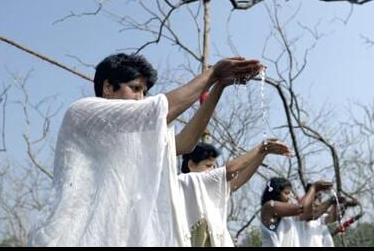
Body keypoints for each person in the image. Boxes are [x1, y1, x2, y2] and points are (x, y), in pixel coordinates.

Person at [27, 53, 262, 247]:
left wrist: (219, 86)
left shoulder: (136, 138)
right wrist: (211, 74)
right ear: (108, 87)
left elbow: (185, 143)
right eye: (135, 88)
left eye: (144, 92)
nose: (141, 98)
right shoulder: (82, 112)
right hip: (75, 237)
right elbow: (157, 110)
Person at [179, 139, 291, 247]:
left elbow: (237, 179)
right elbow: (230, 170)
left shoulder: (209, 190)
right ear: (191, 165)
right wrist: (260, 148)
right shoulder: (185, 180)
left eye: (214, 166)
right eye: (208, 166)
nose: (212, 170)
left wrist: (262, 154)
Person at [260, 178, 332, 247]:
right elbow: (301, 208)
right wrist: (314, 188)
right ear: (276, 193)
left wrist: (332, 201)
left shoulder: (289, 215)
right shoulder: (269, 207)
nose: (288, 197)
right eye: (286, 193)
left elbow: (313, 215)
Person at [296, 183, 359, 247]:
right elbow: (314, 214)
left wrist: (345, 204)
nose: (317, 202)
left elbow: (333, 217)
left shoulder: (320, 218)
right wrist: (331, 200)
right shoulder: (299, 215)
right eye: (315, 198)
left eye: (320, 198)